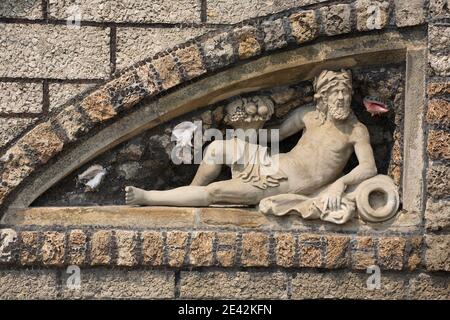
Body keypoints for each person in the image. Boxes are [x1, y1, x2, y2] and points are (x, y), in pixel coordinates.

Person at [125, 69, 377, 211]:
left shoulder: (356, 130)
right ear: (321, 97)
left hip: (283, 183)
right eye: (335, 93)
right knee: (215, 149)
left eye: (345, 92)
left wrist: (339, 185)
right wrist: (249, 124)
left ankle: (148, 197)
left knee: (215, 191)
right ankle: (190, 195)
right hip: (270, 160)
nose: (341, 98)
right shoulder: (308, 115)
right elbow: (275, 136)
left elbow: (369, 167)